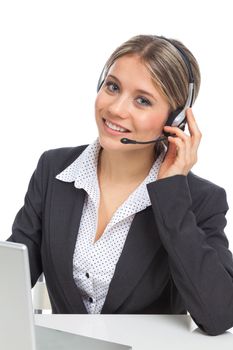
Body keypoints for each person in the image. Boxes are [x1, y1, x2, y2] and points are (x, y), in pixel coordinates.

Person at [7, 35, 233, 336]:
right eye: (112, 86)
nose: (116, 109)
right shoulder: (54, 170)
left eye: (142, 100)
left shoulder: (201, 199)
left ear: (176, 119)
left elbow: (219, 316)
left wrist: (171, 193)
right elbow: (12, 276)